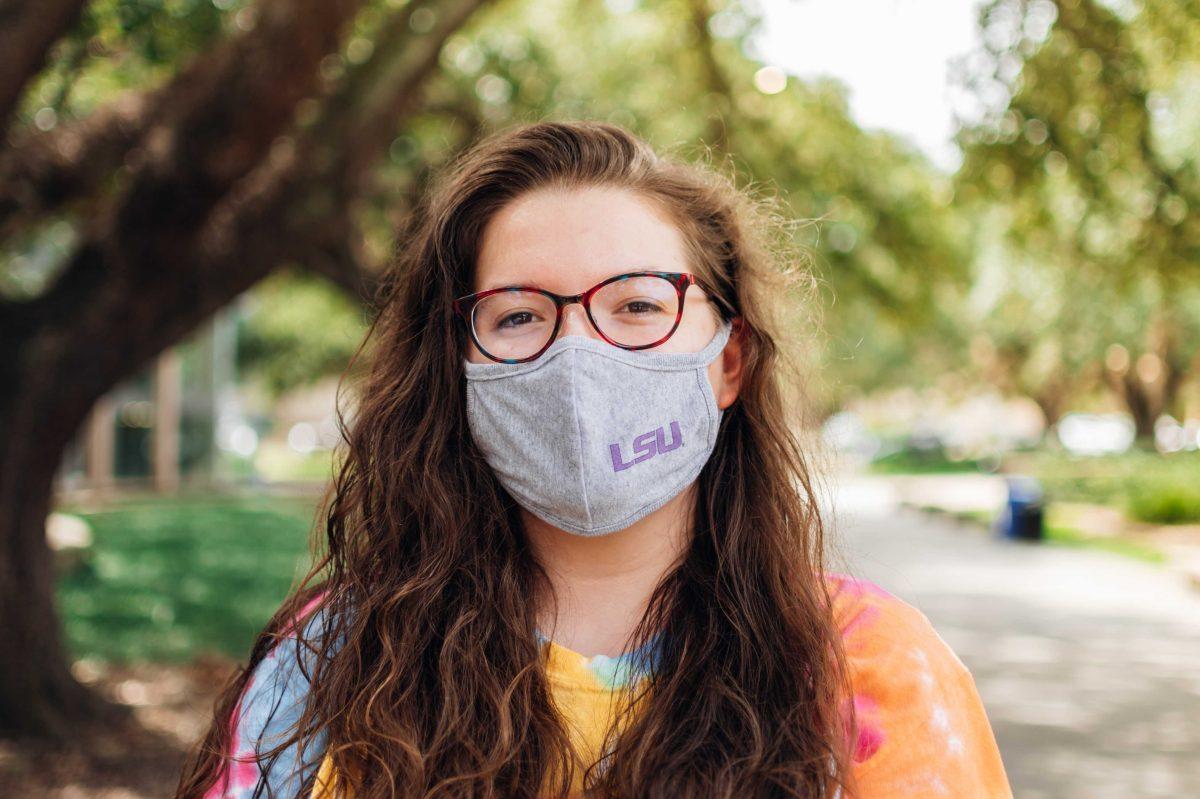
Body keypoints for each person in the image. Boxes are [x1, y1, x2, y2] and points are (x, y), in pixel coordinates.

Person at [177, 120, 1014, 799]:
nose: (576, 354)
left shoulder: (871, 670)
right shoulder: (331, 660)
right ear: (458, 364)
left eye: (638, 305)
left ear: (729, 361)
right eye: (517, 316)